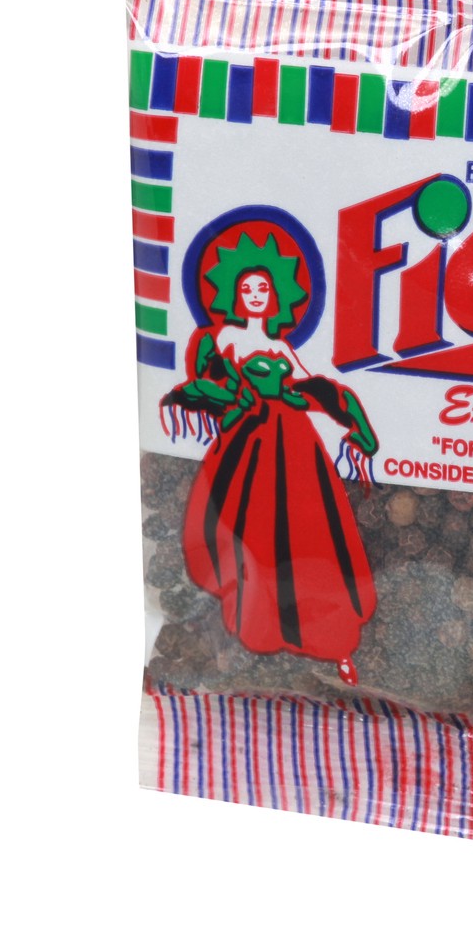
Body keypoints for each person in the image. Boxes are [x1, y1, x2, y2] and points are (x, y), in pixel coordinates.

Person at [162, 231, 378, 686]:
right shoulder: (222, 337)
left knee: (307, 534)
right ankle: (250, 625)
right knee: (253, 531)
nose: (256, 294)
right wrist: (204, 396)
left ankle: (332, 642)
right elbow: (206, 382)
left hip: (295, 444)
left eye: (263, 287)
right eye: (247, 288)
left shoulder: (282, 348)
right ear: (233, 295)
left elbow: (313, 388)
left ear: (277, 295)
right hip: (248, 443)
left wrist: (354, 423)